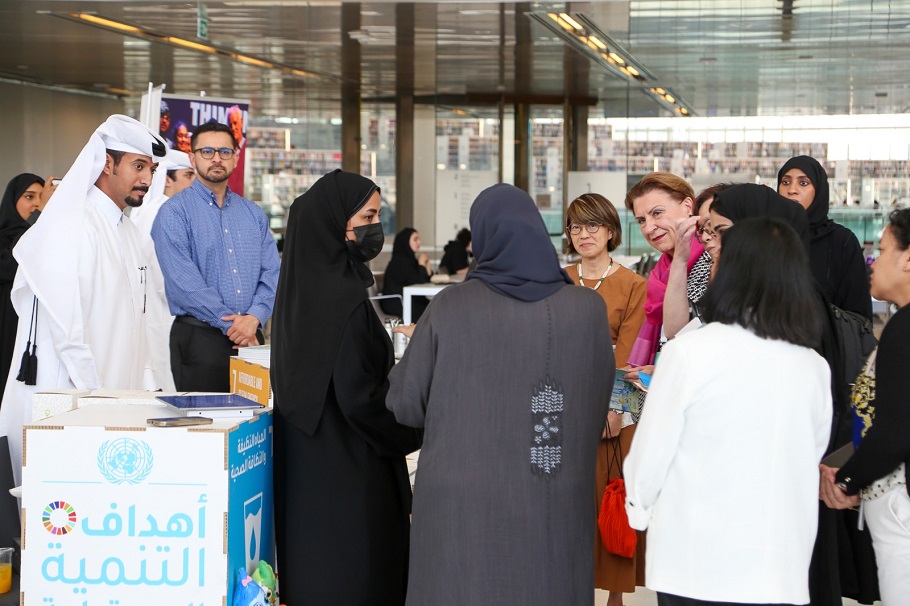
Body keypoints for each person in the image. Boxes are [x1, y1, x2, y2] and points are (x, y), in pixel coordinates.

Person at [386, 184, 614, 605]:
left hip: (461, 501)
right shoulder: (586, 309)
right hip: (553, 491)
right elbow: (594, 400)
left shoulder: (450, 307)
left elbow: (406, 404)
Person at [624, 217, 832, 606]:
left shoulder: (689, 352)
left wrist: (638, 514)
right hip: (779, 565)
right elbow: (812, 450)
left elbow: (652, 453)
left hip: (694, 563)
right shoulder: (813, 366)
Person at [270, 169, 421, 605]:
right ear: (338, 222)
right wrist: (413, 430)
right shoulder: (346, 301)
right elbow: (361, 400)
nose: (375, 228)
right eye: (368, 216)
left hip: (306, 473)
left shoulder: (297, 293)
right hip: (353, 479)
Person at [708, 183, 858, 606]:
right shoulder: (773, 298)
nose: (713, 244)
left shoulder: (797, 305)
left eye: (720, 232)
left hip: (785, 485)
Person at [0, 115, 166, 485]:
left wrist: (142, 395)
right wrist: (99, 403)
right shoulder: (70, 226)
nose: (147, 179)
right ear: (106, 163)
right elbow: (68, 333)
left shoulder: (131, 234)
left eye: (152, 169)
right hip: (72, 403)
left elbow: (143, 321)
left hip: (116, 403)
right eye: (138, 166)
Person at [821, 208, 910, 604]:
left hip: (899, 503)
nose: (873, 262)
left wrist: (847, 480)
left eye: (884, 249)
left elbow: (894, 432)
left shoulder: (906, 327)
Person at [151, 121, 279, 392]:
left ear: (236, 156)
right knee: (205, 426)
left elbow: (272, 272)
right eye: (207, 151)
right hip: (201, 339)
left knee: (254, 425)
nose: (217, 159)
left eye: (225, 151)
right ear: (192, 157)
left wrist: (255, 317)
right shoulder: (174, 213)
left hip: (251, 337)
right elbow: (184, 283)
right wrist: (234, 326)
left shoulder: (253, 214)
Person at [563, 193, 647, 604]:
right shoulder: (557, 278)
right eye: (576, 226)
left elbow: (627, 349)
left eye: (592, 225)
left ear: (611, 230)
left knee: (608, 500)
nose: (583, 234)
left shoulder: (633, 284)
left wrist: (612, 407)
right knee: (569, 506)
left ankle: (614, 597)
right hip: (561, 405)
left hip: (611, 409)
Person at [623, 173, 712, 376]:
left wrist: (663, 370)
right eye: (641, 220)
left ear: (688, 207)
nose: (648, 228)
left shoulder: (711, 260)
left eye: (657, 213)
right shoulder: (660, 272)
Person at [129, 148, 195, 392]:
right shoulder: (165, 211)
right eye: (188, 176)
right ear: (167, 179)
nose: (194, 183)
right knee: (166, 381)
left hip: (158, 312)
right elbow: (163, 277)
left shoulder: (152, 209)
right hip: (165, 312)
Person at [778, 155, 872, 319]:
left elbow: (858, 312)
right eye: (785, 182)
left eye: (803, 183)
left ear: (819, 191)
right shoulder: (767, 237)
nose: (792, 190)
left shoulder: (842, 242)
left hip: (827, 342)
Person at [0, 174, 45, 411]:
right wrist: (42, 218)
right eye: (29, 197)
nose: (36, 204)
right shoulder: (12, 238)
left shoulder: (40, 237)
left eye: (40, 197)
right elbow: (14, 261)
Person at [380, 227, 433, 321]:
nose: (419, 242)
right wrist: (421, 264)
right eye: (415, 239)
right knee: (431, 310)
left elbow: (426, 280)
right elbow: (419, 282)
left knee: (434, 306)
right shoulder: (400, 261)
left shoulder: (409, 260)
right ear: (405, 241)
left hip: (407, 299)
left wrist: (426, 263)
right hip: (397, 302)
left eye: (419, 239)